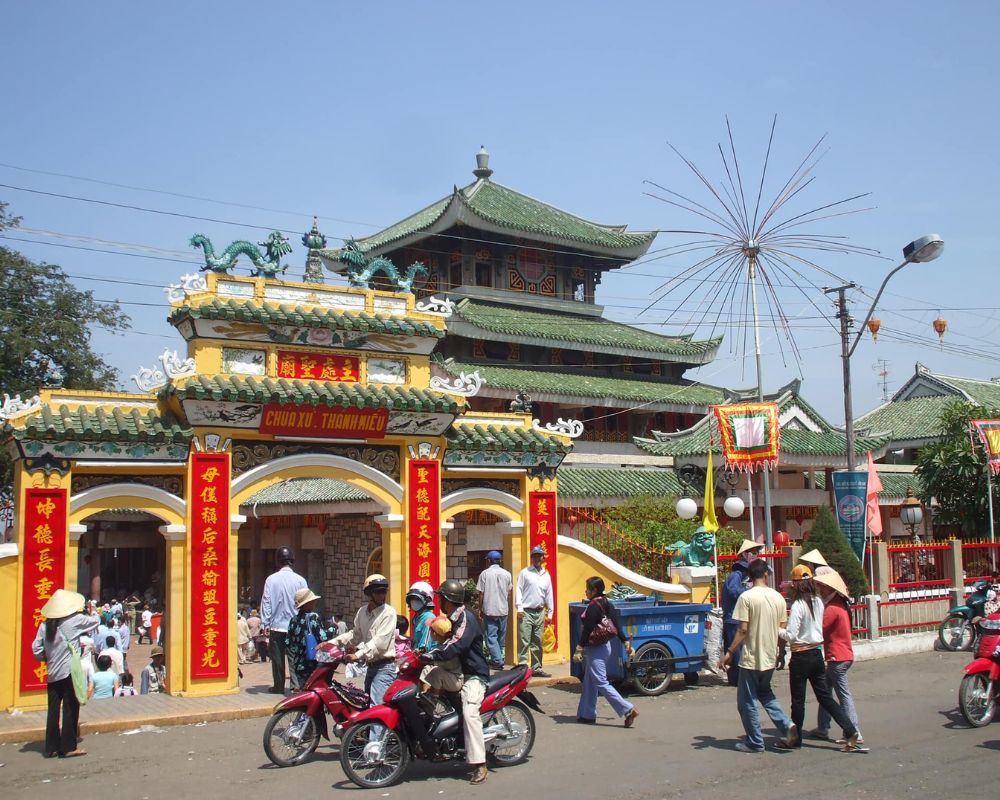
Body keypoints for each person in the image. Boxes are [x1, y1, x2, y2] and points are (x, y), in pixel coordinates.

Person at [779, 565, 862, 752]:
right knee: (825, 697)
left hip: (800, 656)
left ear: (796, 584)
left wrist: (777, 629)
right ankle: (850, 730)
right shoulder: (818, 601)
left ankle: (795, 739)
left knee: (798, 701)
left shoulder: (799, 605)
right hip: (816, 654)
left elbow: (791, 635)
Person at [720, 558, 796, 753]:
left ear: (750, 576)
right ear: (765, 575)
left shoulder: (747, 598)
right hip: (770, 654)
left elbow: (743, 629)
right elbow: (782, 629)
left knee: (747, 702)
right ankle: (787, 725)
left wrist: (729, 652)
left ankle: (755, 742)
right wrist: (781, 652)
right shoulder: (778, 597)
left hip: (751, 657)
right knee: (765, 694)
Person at [420, 579, 490, 785]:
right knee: (428, 676)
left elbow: (457, 643)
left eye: (441, 597)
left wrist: (434, 655)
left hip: (473, 676)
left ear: (449, 599)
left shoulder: (466, 617)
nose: (439, 601)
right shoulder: (452, 617)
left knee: (469, 713)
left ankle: (479, 764)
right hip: (456, 672)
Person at [31, 588, 99, 758]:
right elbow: (95, 622)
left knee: (53, 709)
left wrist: (47, 659)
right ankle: (68, 746)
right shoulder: (74, 620)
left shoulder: (45, 625)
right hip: (69, 672)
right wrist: (93, 610)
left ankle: (51, 746)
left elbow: (36, 649)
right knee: (70, 708)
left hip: (52, 673)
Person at [574, 576, 638, 727]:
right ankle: (587, 714)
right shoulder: (607, 603)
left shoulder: (593, 607)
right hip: (604, 647)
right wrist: (626, 642)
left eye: (588, 588)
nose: (586, 591)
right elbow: (616, 625)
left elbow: (587, 629)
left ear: (594, 590)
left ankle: (628, 709)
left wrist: (579, 649)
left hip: (596, 649)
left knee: (601, 682)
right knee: (590, 681)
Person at [810, 569, 864, 746]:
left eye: (822, 586)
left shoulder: (833, 608)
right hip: (840, 656)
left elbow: (820, 629)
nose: (820, 589)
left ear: (828, 587)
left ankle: (853, 730)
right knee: (825, 693)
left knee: (842, 695)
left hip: (837, 657)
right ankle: (823, 727)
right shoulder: (839, 605)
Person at [333, 574, 398, 706]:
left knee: (376, 706)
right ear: (369, 593)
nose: (382, 595)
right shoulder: (362, 612)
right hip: (370, 666)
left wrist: (357, 655)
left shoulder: (389, 613)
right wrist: (331, 644)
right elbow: (355, 635)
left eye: (384, 591)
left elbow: (379, 642)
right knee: (366, 704)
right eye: (378, 592)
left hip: (385, 667)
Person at [260, 546, 308, 694]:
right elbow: (307, 602)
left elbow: (266, 602)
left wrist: (265, 623)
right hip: (295, 627)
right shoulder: (301, 580)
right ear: (292, 560)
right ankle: (295, 686)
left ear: (278, 561)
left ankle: (278, 686)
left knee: (277, 659)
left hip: (276, 626)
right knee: (294, 656)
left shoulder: (271, 580)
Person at [721, 540, 762, 687]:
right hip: (733, 618)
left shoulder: (744, 577)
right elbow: (733, 592)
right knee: (735, 650)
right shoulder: (735, 576)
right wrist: (749, 591)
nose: (757, 555)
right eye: (754, 552)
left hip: (739, 617)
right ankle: (736, 679)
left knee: (740, 650)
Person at [516, 546, 554, 677]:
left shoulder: (546, 575)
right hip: (526, 611)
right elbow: (518, 590)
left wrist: (550, 613)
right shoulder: (525, 573)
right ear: (531, 558)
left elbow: (549, 595)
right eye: (535, 556)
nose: (537, 558)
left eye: (539, 556)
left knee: (537, 641)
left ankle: (537, 667)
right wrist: (519, 608)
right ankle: (522, 667)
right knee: (524, 640)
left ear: (543, 558)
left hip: (540, 612)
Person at [286, 588, 332, 687]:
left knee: (305, 690)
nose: (314, 602)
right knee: (315, 689)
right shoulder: (313, 617)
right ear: (308, 603)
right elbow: (323, 636)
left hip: (299, 664)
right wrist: (333, 628)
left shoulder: (293, 620)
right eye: (312, 600)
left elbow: (288, 642)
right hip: (312, 663)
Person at [477, 550, 513, 669]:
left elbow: (481, 593)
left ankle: (497, 661)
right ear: (500, 561)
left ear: (488, 561)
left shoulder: (484, 574)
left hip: (490, 610)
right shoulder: (507, 574)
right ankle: (499, 657)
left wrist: (480, 608)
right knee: (500, 637)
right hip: (503, 610)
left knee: (491, 637)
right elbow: (509, 593)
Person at [419, 614, 464, 695]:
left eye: (431, 630)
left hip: (456, 680)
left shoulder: (446, 648)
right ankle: (425, 695)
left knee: (436, 672)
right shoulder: (441, 643)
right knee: (426, 668)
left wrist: (429, 659)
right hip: (448, 674)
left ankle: (434, 697)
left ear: (435, 634)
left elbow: (440, 660)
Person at [405, 581, 436, 652]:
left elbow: (424, 647)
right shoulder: (416, 618)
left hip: (426, 659)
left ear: (427, 600)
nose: (414, 601)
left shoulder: (429, 618)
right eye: (412, 599)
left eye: (417, 599)